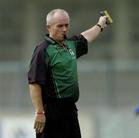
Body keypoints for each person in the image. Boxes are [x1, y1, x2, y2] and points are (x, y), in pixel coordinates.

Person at [28, 9, 108, 138]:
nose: (64, 29)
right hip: (51, 112)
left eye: (66, 25)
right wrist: (39, 112)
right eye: (60, 26)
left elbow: (87, 36)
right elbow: (34, 83)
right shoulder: (43, 50)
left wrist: (100, 25)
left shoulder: (71, 44)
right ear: (49, 27)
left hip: (70, 110)